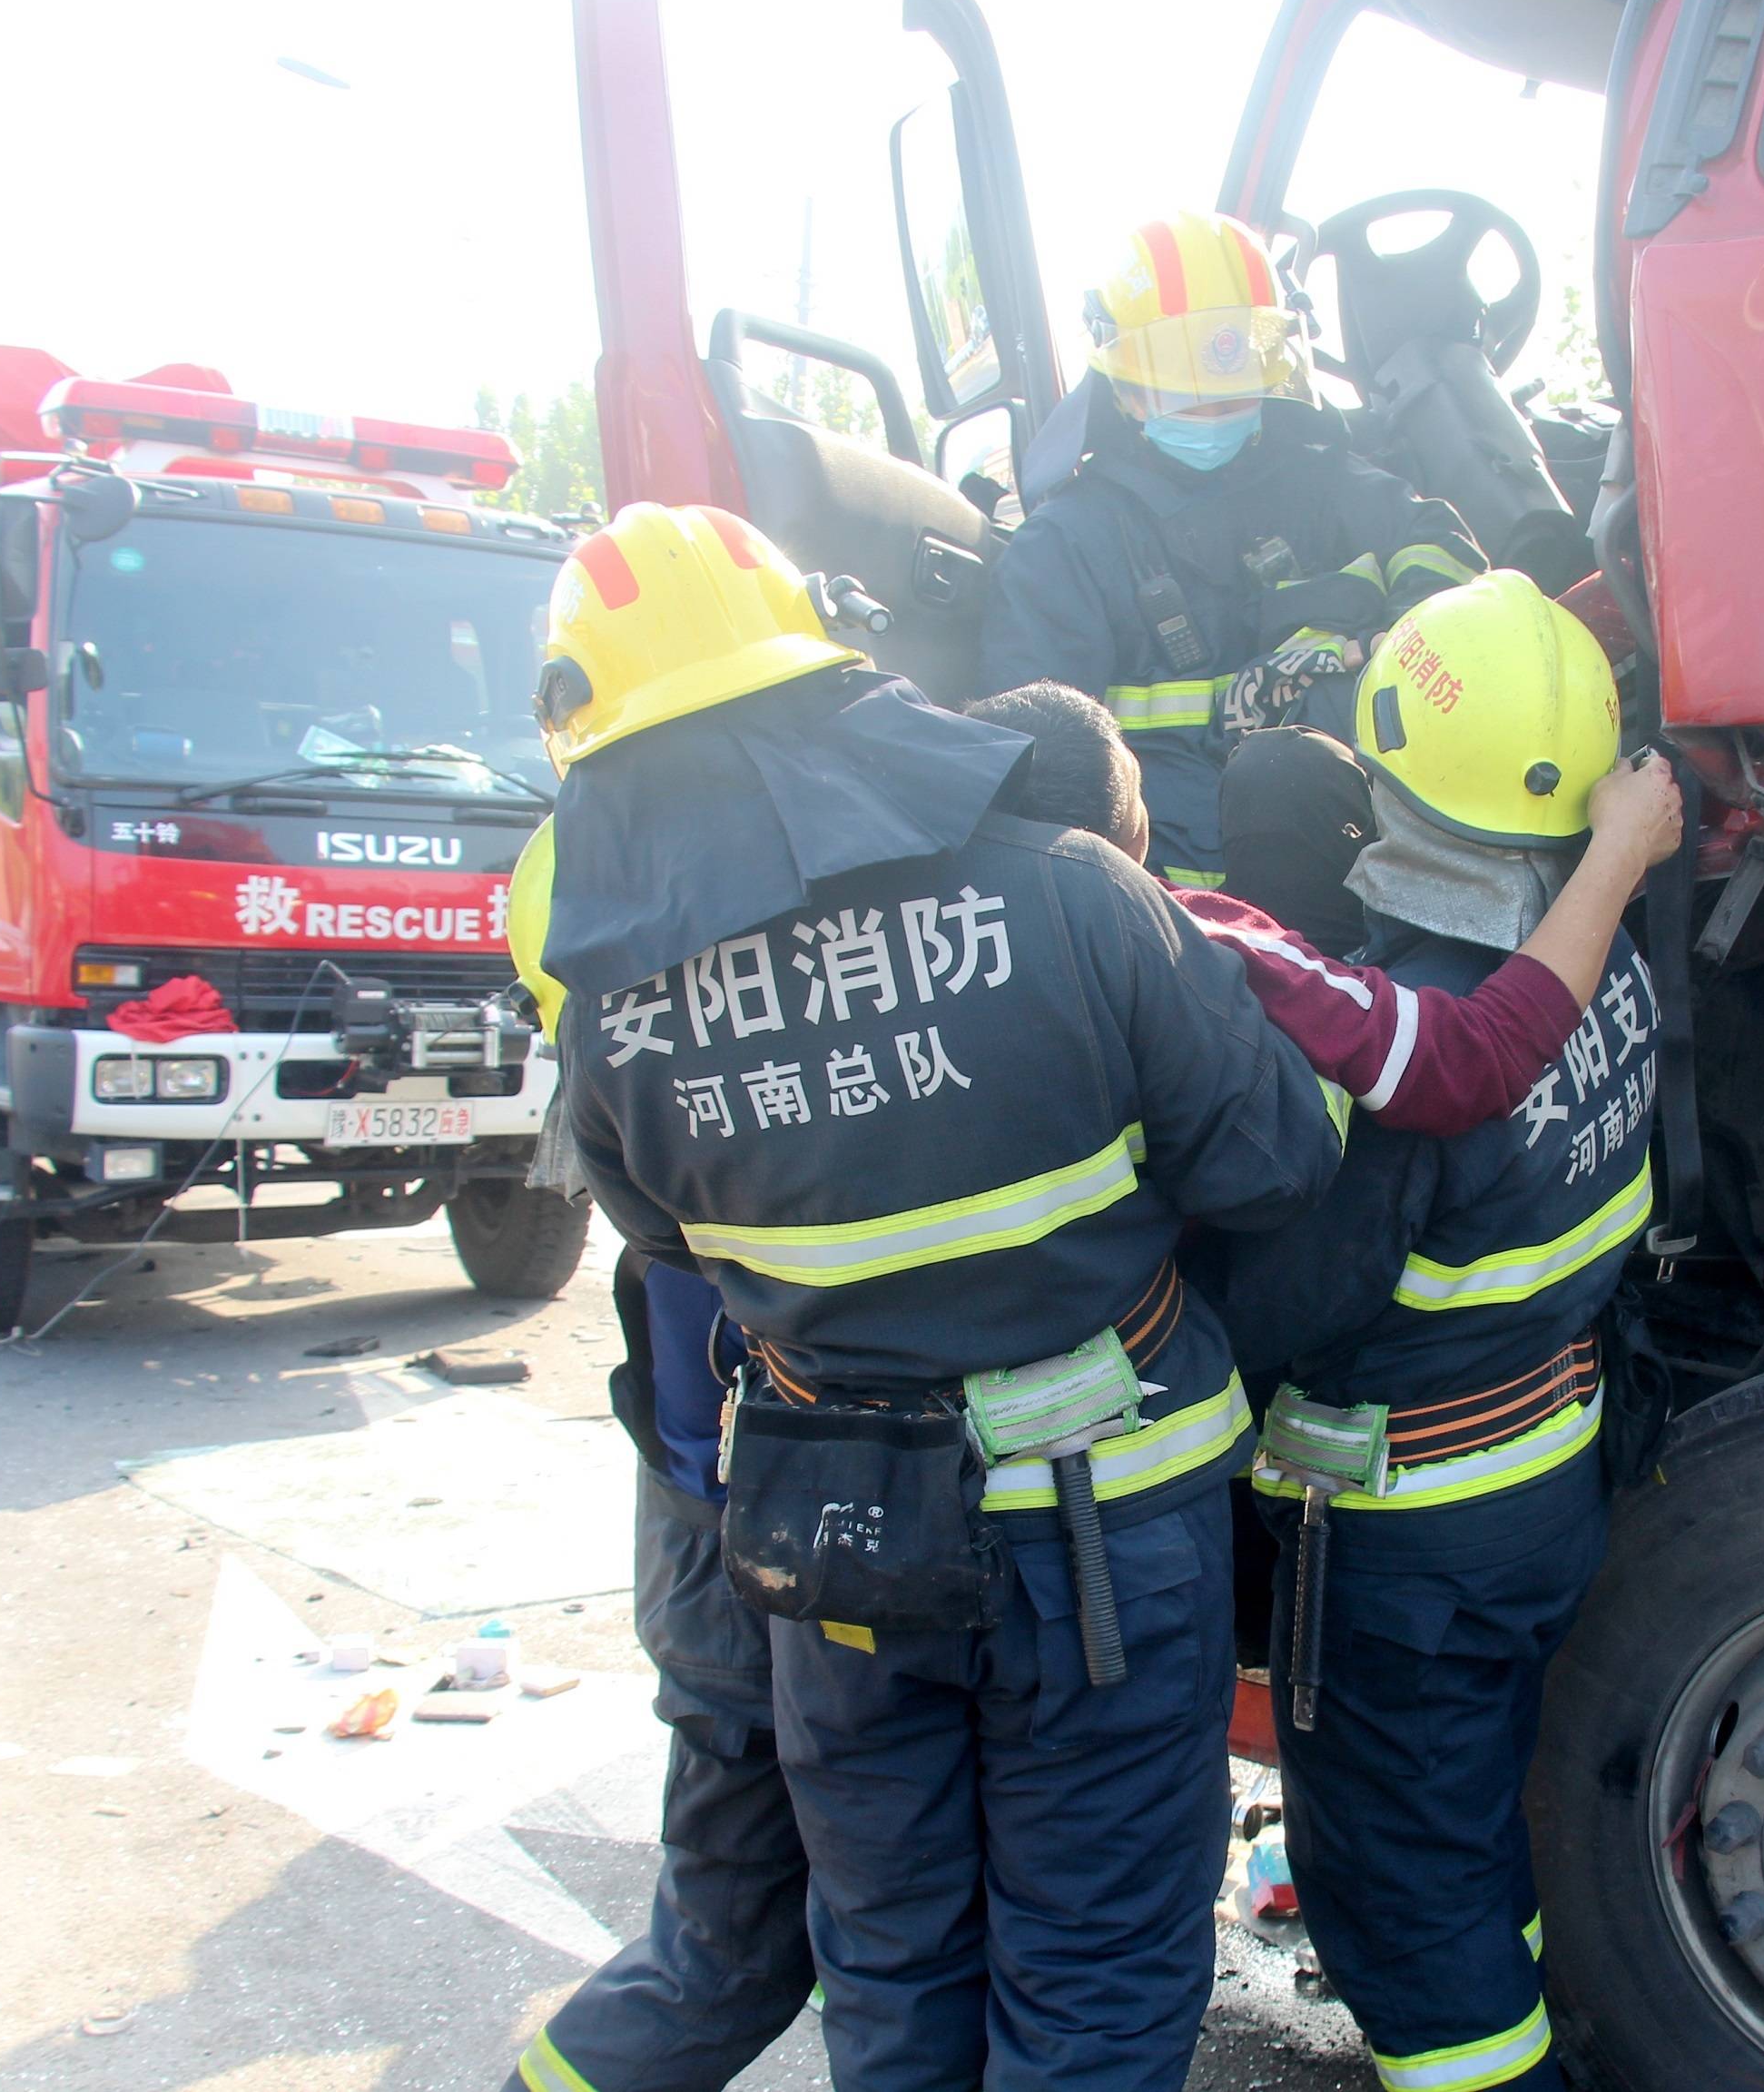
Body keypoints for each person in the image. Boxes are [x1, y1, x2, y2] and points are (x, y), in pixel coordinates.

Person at [535, 501, 1345, 2092]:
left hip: (836, 1551)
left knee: (895, 1971)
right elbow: (1277, 1158)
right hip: (1096, 1538)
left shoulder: (613, 1021)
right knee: (1095, 1980)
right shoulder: (1075, 892)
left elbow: (675, 1259)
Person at [1217, 570, 1665, 2092]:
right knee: (1474, 1848)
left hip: (1404, 1537)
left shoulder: (1407, 1042)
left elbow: (1298, 1303)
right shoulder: (1605, 960)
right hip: (1545, 1483)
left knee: (1409, 1912)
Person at [500, 840, 820, 2092]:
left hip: (717, 1596)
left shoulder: (665, 1145)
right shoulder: (726, 1170)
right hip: (747, 1616)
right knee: (723, 1963)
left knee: (733, 1951)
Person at [981, 210, 1485, 889]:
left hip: (1370, 851)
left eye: (1234, 387)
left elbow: (1445, 554)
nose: (1217, 414)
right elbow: (1047, 782)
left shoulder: (1317, 476)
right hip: (1193, 903)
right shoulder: (1063, 547)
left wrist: (1372, 645)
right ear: (1127, 389)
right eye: (1190, 395)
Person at [959, 682, 1680, 1138]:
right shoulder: (1183, 935)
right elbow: (1465, 1059)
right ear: (1126, 831)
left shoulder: (883, 943)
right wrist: (1619, 850)